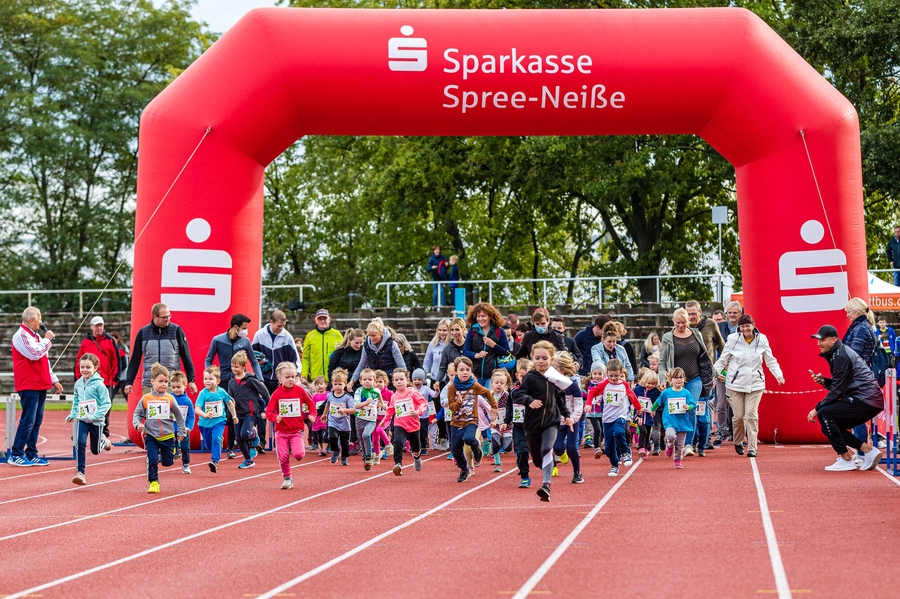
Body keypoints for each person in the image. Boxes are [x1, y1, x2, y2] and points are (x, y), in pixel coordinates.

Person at [808, 325, 884, 471]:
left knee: (825, 414)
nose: (819, 343)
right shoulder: (838, 353)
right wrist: (825, 381)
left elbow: (838, 390)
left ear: (833, 339)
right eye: (818, 340)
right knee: (831, 424)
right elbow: (842, 384)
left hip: (866, 399)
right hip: (868, 399)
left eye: (822, 340)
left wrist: (816, 408)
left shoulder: (840, 356)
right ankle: (867, 450)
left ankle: (846, 459)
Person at [713, 314, 784, 457]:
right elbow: (722, 360)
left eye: (748, 326)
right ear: (739, 328)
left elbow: (770, 360)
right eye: (742, 326)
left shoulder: (762, 339)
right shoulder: (732, 339)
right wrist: (714, 374)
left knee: (751, 415)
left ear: (753, 325)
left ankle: (752, 447)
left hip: (755, 384)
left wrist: (778, 374)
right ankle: (738, 441)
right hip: (735, 385)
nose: (745, 329)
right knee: (739, 417)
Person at [518, 341, 573, 502]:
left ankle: (546, 485)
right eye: (537, 358)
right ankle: (548, 465)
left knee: (547, 448)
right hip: (532, 424)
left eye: (544, 358)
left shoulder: (555, 378)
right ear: (532, 358)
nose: (540, 361)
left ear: (551, 359)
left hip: (551, 421)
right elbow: (518, 395)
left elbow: (560, 399)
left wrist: (567, 416)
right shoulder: (530, 377)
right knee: (537, 460)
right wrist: (529, 400)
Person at [9, 307, 64, 467]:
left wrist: (53, 379)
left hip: (40, 382)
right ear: (32, 319)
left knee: (36, 420)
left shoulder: (36, 336)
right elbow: (34, 354)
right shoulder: (21, 335)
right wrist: (47, 340)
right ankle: (16, 453)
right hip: (28, 383)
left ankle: (31, 453)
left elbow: (44, 360)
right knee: (28, 419)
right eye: (39, 319)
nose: (41, 322)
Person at [659, 307, 714, 457]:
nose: (681, 325)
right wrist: (662, 379)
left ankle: (688, 445)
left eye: (683, 322)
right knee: (676, 412)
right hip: (675, 382)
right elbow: (662, 362)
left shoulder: (696, 334)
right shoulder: (668, 337)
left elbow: (705, 357)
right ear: (673, 321)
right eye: (678, 323)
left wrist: (713, 374)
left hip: (695, 378)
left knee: (691, 408)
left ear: (688, 321)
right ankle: (672, 439)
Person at [206, 313, 264, 453]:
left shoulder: (245, 342)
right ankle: (231, 445)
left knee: (241, 411)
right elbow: (208, 359)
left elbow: (254, 361)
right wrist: (210, 376)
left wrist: (260, 379)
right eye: (244, 327)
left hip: (241, 382)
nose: (246, 330)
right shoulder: (218, 340)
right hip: (224, 382)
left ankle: (242, 441)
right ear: (236, 327)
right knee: (227, 413)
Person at [133, 363, 186, 493]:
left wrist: (181, 431)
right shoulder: (146, 398)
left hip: (167, 436)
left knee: (168, 462)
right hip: (151, 435)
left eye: (166, 382)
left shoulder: (170, 398)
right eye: (160, 381)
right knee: (152, 458)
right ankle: (154, 482)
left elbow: (179, 416)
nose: (164, 384)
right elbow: (137, 414)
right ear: (152, 382)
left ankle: (170, 450)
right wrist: (137, 424)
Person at [124, 303, 197, 397]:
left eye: (169, 316)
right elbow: (135, 360)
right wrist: (129, 382)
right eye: (164, 317)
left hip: (171, 384)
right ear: (155, 317)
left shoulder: (177, 331)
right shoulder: (143, 333)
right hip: (149, 384)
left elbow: (186, 357)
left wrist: (191, 380)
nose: (168, 319)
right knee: (149, 407)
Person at [265, 361, 316, 490]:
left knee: (299, 454)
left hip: (296, 431)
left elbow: (311, 404)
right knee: (283, 456)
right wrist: (275, 417)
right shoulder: (277, 394)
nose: (291, 379)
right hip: (281, 431)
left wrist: (312, 414)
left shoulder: (300, 391)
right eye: (287, 377)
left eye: (293, 376)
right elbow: (269, 412)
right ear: (280, 378)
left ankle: (295, 455)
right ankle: (287, 478)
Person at [587, 359, 641, 477]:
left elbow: (632, 396)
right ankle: (614, 465)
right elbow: (592, 393)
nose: (613, 378)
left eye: (616, 375)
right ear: (607, 374)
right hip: (607, 418)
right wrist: (588, 404)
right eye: (610, 376)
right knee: (609, 447)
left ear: (621, 373)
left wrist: (638, 408)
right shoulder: (604, 384)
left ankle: (625, 453)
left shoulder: (624, 385)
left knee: (619, 432)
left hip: (620, 415)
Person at [448, 356, 496, 483]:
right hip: (456, 422)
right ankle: (464, 470)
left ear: (471, 371)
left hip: (471, 420)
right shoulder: (452, 388)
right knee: (455, 450)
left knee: (468, 438)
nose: (465, 372)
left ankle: (476, 448)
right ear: (456, 371)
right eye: (461, 370)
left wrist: (494, 406)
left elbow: (487, 393)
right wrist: (458, 403)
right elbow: (451, 407)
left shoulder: (474, 386)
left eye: (467, 370)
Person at [66, 353, 112, 485]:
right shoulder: (78, 384)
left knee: (95, 450)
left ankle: (104, 441)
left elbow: (107, 403)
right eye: (82, 367)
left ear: (95, 368)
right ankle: (80, 473)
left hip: (96, 421)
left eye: (88, 367)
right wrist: (72, 414)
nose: (84, 370)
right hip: (82, 420)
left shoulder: (99, 385)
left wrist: (95, 416)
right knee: (80, 443)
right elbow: (76, 401)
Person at [842, 297, 877, 457]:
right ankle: (862, 452)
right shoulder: (864, 326)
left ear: (857, 311)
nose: (847, 315)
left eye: (849, 311)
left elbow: (854, 355)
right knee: (857, 416)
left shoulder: (860, 328)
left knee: (856, 416)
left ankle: (862, 453)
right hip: (860, 375)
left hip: (857, 377)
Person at [73, 316, 119, 440]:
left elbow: (116, 360)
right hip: (87, 381)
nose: (99, 328)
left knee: (104, 405)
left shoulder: (110, 340)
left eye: (100, 325)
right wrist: (77, 377)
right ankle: (82, 429)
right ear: (91, 327)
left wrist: (115, 378)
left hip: (105, 380)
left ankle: (104, 431)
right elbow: (78, 360)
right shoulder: (85, 342)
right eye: (96, 325)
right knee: (84, 403)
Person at [227, 351, 270, 470]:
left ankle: (253, 434)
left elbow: (264, 392)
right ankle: (248, 460)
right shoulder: (231, 382)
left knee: (245, 434)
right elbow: (229, 399)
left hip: (249, 412)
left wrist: (268, 407)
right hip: (237, 413)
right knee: (239, 438)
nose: (234, 369)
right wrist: (230, 414)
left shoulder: (250, 379)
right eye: (232, 366)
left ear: (244, 366)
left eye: (237, 366)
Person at [383, 368, 429, 476]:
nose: (399, 382)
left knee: (416, 447)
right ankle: (398, 464)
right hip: (399, 423)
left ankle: (417, 458)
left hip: (413, 425)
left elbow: (423, 403)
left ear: (407, 381)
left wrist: (418, 412)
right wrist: (385, 420)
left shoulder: (413, 393)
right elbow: (391, 409)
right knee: (397, 441)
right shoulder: (394, 397)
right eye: (396, 380)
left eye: (401, 379)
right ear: (393, 383)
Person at [195, 365, 237, 473]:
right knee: (209, 445)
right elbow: (197, 409)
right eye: (205, 379)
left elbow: (229, 403)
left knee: (216, 439)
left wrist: (234, 415)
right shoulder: (203, 394)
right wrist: (205, 415)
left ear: (218, 381)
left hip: (219, 421)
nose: (207, 381)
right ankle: (218, 441)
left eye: (210, 379)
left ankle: (215, 462)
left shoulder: (221, 392)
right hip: (204, 423)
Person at [653, 367, 697, 469]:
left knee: (680, 444)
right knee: (670, 435)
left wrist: (688, 407)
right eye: (676, 378)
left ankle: (677, 459)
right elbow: (658, 401)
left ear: (684, 379)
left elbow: (693, 404)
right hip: (669, 420)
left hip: (682, 421)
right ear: (671, 379)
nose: (679, 380)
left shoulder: (686, 393)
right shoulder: (666, 392)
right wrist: (652, 409)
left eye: (681, 377)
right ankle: (669, 445)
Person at [550, 352, 584, 484]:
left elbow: (579, 404)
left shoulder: (572, 385)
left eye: (555, 368)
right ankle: (561, 453)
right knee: (557, 448)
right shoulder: (550, 384)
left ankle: (577, 472)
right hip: (557, 422)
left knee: (571, 447)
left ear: (562, 370)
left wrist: (573, 418)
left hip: (571, 422)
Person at [251, 309, 301, 397]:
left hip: (281, 379)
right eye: (279, 326)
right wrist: (261, 362)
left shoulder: (287, 337)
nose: (281, 328)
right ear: (271, 322)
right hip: (263, 378)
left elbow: (295, 359)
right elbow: (252, 355)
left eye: (283, 326)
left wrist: (297, 375)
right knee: (264, 403)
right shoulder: (259, 334)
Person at [714, 301, 743, 446]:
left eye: (734, 313)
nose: (732, 315)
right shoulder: (719, 327)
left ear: (740, 314)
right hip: (722, 371)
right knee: (721, 404)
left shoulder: (744, 328)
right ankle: (721, 432)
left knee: (738, 406)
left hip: (739, 372)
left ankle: (738, 434)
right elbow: (713, 348)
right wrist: (717, 369)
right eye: (729, 313)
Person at [502, 359, 534, 488]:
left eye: (528, 376)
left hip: (534, 427)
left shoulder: (536, 391)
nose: (525, 379)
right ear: (517, 376)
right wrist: (506, 422)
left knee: (539, 452)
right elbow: (509, 407)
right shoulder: (513, 392)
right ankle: (525, 476)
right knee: (521, 451)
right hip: (518, 427)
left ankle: (551, 462)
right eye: (522, 376)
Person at [462, 302, 511, 386]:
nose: (480, 319)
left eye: (483, 316)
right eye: (478, 316)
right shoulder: (472, 331)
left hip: (493, 377)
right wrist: (476, 355)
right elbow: (465, 351)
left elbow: (506, 353)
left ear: (490, 316)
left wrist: (493, 345)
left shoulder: (499, 331)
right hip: (475, 376)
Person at [350, 318, 405, 388]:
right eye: (369, 335)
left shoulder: (391, 344)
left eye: (374, 335)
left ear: (380, 333)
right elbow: (362, 364)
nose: (371, 338)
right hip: (374, 381)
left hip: (389, 380)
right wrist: (352, 380)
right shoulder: (366, 346)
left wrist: (405, 379)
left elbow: (400, 363)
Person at [302, 308, 343, 384]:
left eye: (325, 318)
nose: (322, 321)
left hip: (334, 378)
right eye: (320, 319)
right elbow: (305, 358)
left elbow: (343, 355)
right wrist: (304, 374)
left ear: (329, 319)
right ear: (316, 320)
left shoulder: (337, 335)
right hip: (316, 378)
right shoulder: (310, 336)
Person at [353, 368, 382, 470]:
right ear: (360, 381)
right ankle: (365, 456)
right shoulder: (359, 391)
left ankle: (369, 456)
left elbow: (380, 398)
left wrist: (382, 405)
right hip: (360, 419)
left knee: (366, 435)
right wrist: (366, 403)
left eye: (370, 379)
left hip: (371, 419)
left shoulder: (376, 391)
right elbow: (356, 405)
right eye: (364, 379)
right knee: (361, 439)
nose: (367, 381)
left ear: (374, 381)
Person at [324, 368, 354, 465]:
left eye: (340, 384)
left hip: (344, 424)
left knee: (345, 444)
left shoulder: (347, 397)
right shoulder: (330, 395)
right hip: (333, 422)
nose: (337, 386)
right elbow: (327, 405)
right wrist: (324, 414)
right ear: (332, 384)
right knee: (332, 437)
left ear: (345, 384)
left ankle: (344, 458)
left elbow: (353, 410)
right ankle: (336, 451)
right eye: (335, 384)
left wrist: (344, 410)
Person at [169, 371, 195, 474]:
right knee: (170, 444)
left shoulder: (187, 401)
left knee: (185, 447)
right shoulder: (169, 398)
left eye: (178, 387)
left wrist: (189, 427)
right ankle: (173, 452)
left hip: (183, 429)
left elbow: (191, 416)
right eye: (173, 387)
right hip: (171, 428)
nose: (176, 389)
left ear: (185, 386)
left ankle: (186, 464)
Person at [437, 317, 467, 383]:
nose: (454, 332)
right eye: (452, 330)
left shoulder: (470, 345)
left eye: (457, 329)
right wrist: (437, 381)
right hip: (452, 382)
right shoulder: (447, 349)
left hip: (468, 381)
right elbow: (442, 368)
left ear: (463, 329)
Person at [108, 331, 130, 403]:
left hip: (122, 377)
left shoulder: (119, 349)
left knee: (109, 397)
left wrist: (116, 372)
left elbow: (124, 364)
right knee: (109, 397)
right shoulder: (122, 347)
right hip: (121, 376)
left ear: (118, 339)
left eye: (113, 339)